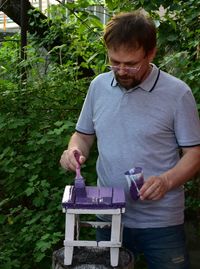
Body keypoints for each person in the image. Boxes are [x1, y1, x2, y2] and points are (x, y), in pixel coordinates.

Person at [60, 10, 200, 269]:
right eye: (114, 62)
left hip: (161, 223)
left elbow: (194, 154)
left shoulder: (177, 93)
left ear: (151, 53)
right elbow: (82, 136)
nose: (122, 70)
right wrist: (74, 150)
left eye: (131, 63)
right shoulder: (98, 87)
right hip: (107, 215)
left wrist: (166, 180)